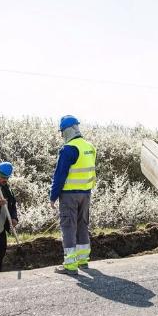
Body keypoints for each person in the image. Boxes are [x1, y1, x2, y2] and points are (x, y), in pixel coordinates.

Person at [50, 115, 96, 275]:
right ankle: (83, 261)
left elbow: (60, 175)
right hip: (86, 193)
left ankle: (70, 265)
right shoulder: (89, 147)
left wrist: (53, 196)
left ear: (67, 130)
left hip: (69, 195)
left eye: (62, 132)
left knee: (68, 227)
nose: (62, 135)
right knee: (83, 225)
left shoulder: (68, 148)